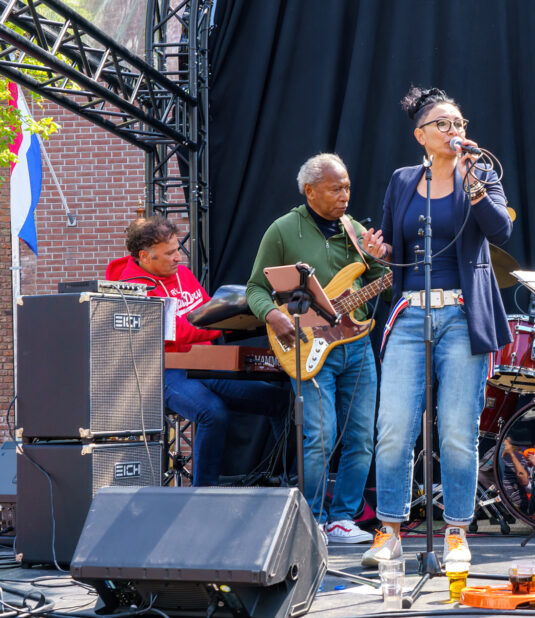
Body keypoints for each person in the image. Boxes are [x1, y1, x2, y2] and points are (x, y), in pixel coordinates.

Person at [359, 86, 513, 567]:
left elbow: (501, 230)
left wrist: (471, 182)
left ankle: (456, 534)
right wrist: (378, 251)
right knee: (394, 427)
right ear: (421, 135)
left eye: (460, 124)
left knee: (456, 431)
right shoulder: (402, 180)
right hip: (409, 313)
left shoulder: (481, 172)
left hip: (462, 315)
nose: (455, 131)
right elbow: (393, 249)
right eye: (444, 125)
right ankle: (388, 531)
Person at [247, 153, 389, 544]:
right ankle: (312, 519)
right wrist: (271, 316)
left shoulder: (353, 228)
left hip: (356, 344)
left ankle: (343, 518)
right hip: (308, 345)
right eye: (335, 188)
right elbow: (255, 287)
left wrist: (378, 261)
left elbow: (381, 280)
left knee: (361, 435)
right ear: (310, 190)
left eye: (347, 187)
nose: (345, 195)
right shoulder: (282, 230)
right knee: (320, 435)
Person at [106, 216, 288, 487]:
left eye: (178, 248)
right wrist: (217, 326)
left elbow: (206, 312)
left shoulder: (182, 274)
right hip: (165, 373)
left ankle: (288, 477)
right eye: (170, 253)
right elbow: (179, 331)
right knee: (213, 413)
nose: (179, 257)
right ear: (145, 256)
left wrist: (221, 321)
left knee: (281, 401)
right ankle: (203, 494)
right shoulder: (131, 288)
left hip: (205, 363)